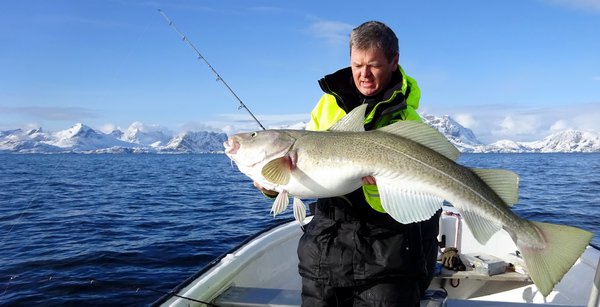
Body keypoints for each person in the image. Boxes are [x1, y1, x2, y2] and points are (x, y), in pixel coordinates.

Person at [256, 21, 440, 307]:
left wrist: (382, 185)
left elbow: (417, 204)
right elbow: (304, 170)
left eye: (374, 65)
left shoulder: (408, 123)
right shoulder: (328, 104)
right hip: (324, 256)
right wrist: (271, 185)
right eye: (357, 65)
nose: (363, 75)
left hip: (386, 260)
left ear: (394, 61)